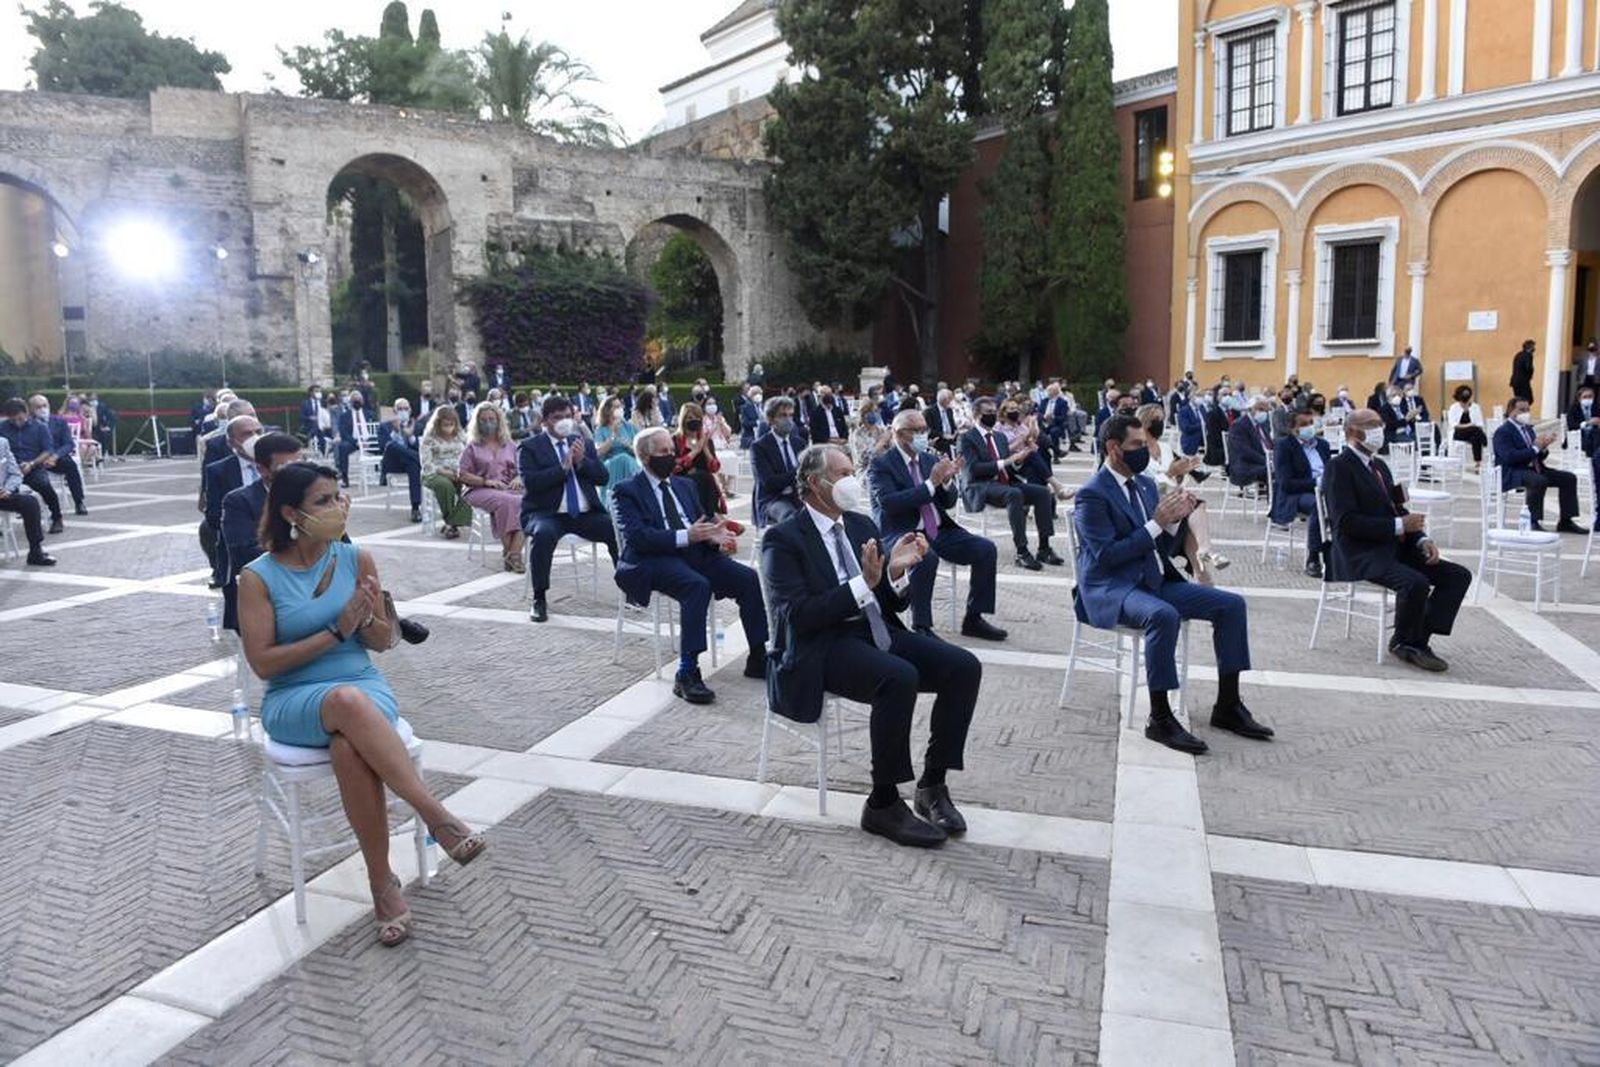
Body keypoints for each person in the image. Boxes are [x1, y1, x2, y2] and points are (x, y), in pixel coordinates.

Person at [239, 462, 485, 945]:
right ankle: (436, 815)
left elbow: (378, 641)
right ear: (291, 512)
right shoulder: (258, 577)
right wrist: (334, 631)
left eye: (338, 497)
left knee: (349, 746)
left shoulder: (358, 558)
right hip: (293, 698)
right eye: (323, 501)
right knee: (345, 704)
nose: (337, 508)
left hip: (362, 685)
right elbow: (264, 664)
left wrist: (370, 618)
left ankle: (383, 884)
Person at [761, 444, 981, 848]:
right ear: (815, 483)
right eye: (842, 473)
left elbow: (889, 599)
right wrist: (865, 581)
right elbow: (799, 615)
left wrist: (896, 573)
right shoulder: (783, 539)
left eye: (851, 471)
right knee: (898, 677)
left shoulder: (860, 524)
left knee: (963, 666)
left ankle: (932, 785)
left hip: (875, 630)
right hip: (822, 645)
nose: (852, 481)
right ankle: (882, 803)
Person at [1075, 416, 1272, 755]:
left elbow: (1160, 548)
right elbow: (1107, 557)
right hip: (1112, 587)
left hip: (1151, 579)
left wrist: (1173, 523)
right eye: (1136, 445)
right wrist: (1157, 524)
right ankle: (1160, 717)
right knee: (1163, 616)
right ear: (1113, 448)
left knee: (1231, 605)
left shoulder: (1146, 485)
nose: (1143, 452)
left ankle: (1228, 706)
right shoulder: (1092, 494)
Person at [613, 427, 769, 703]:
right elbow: (637, 538)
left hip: (696, 552)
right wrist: (688, 536)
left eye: (672, 451)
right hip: (654, 559)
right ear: (644, 456)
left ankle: (758, 655)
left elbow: (702, 521)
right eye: (663, 452)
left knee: (749, 579)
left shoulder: (685, 485)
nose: (671, 457)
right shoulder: (626, 491)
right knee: (696, 586)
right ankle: (687, 672)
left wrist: (715, 534)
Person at [1324, 410, 1472, 671]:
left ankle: (1419, 636)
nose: (1377, 430)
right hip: (1360, 551)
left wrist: (1421, 539)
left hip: (1394, 546)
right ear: (1351, 432)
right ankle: (1404, 642)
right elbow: (1345, 522)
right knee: (1416, 582)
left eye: (1379, 424)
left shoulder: (1379, 465)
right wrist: (1398, 526)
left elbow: (1398, 509)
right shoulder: (1339, 467)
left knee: (1457, 576)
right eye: (1370, 425)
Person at [868, 409, 1006, 641]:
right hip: (902, 532)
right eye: (918, 431)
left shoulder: (930, 459)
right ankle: (921, 626)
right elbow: (890, 503)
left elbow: (948, 501)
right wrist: (931, 483)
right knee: (925, 556)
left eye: (925, 429)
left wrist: (946, 482)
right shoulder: (882, 464)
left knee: (986, 549)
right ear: (900, 434)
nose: (924, 435)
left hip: (939, 529)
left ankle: (974, 619)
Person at [518, 396, 617, 622]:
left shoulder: (583, 443)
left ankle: (630, 586)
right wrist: (562, 469)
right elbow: (531, 483)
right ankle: (539, 597)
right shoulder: (529, 447)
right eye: (556, 418)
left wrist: (582, 462)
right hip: (546, 513)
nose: (563, 422)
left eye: (567, 416)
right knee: (543, 535)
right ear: (545, 421)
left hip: (584, 514)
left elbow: (603, 478)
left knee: (615, 528)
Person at [958, 397, 1061, 571]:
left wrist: (1020, 459)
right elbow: (973, 469)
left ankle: (1044, 548)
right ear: (976, 415)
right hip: (980, 485)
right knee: (1014, 494)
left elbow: (1010, 467)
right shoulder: (967, 438)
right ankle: (1022, 551)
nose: (992, 416)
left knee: (1043, 492)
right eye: (987, 413)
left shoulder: (999, 437)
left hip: (1005, 482)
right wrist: (1006, 462)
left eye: (993, 412)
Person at [220, 432, 303, 631]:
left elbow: (339, 544)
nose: (296, 473)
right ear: (262, 469)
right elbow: (244, 553)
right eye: (286, 468)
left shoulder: (312, 496)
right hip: (264, 600)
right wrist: (306, 554)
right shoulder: (239, 501)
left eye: (300, 465)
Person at [1137, 404, 1228, 583]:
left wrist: (1180, 476)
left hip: (1174, 504)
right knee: (1193, 509)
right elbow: (1145, 486)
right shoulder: (1137, 451)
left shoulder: (1164, 448)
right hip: (1153, 508)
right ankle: (1205, 553)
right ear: (1146, 423)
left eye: (1162, 420)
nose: (1161, 424)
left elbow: (1176, 483)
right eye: (1157, 420)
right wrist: (1171, 474)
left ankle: (1203, 555)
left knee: (1194, 504)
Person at [1493, 397, 1582, 532]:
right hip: (1513, 471)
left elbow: (1537, 455)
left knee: (1568, 478)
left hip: (1534, 468)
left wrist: (1543, 447)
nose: (1526, 413)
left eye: (1528, 410)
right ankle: (1532, 521)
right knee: (1538, 481)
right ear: (1511, 411)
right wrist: (1535, 449)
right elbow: (1509, 457)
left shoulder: (1528, 429)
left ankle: (1566, 521)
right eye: (1522, 410)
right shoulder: (1503, 432)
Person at [460, 402, 527, 571]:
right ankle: (514, 555)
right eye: (483, 420)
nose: (488, 423)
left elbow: (523, 468)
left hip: (508, 487)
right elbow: (463, 475)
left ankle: (512, 552)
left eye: (491, 419)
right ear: (477, 422)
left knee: (530, 501)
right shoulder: (472, 447)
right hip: (479, 489)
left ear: (499, 421)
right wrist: (485, 482)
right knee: (506, 501)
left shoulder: (510, 445)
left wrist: (519, 477)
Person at [202, 413, 263, 588]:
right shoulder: (219, 471)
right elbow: (213, 516)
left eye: (258, 431)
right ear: (231, 442)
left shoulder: (275, 466)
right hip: (238, 551)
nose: (255, 438)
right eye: (247, 434)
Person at [1271, 409, 1332, 578]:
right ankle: (1313, 558)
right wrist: (1317, 483)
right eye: (1304, 425)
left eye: (1311, 423)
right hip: (1297, 494)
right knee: (1317, 505)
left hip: (1326, 491)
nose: (1309, 428)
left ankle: (1346, 552)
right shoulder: (1284, 446)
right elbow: (1286, 483)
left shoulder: (1323, 445)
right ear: (1293, 429)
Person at [418, 406, 475, 540]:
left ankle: (451, 523)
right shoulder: (429, 439)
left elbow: (469, 454)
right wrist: (444, 472)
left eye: (451, 424)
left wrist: (463, 471)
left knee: (473, 486)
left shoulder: (461, 436)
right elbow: (426, 463)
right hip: (434, 473)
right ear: (438, 424)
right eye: (445, 425)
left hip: (458, 472)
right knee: (445, 485)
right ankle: (452, 524)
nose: (448, 428)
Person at [751, 396, 807, 526]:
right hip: (773, 500)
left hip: (798, 497)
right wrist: (799, 472)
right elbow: (769, 482)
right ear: (771, 419)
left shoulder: (800, 444)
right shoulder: (759, 447)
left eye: (790, 415)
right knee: (789, 515)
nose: (788, 420)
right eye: (782, 415)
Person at [28, 394, 87, 517]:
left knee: (71, 465)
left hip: (57, 458)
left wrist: (55, 456)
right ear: (31, 409)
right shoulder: (28, 424)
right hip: (37, 460)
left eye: (45, 406)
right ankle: (29, 506)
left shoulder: (59, 421)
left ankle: (79, 502)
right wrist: (40, 460)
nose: (42, 409)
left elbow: (68, 444)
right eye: (38, 407)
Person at [0, 434, 53, 565]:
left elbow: (15, 473)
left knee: (30, 502)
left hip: (2, 493)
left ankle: (35, 551)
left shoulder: (2, 443)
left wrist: (8, 489)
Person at [671, 402, 726, 517]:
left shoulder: (706, 440)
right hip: (682, 479)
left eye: (697, 417)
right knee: (701, 477)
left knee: (706, 477)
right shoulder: (675, 440)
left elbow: (715, 467)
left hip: (705, 482)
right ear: (683, 420)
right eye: (690, 418)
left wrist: (705, 449)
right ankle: (710, 517)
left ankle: (710, 515)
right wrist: (695, 451)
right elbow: (675, 467)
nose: (694, 420)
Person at [377, 399, 423, 523]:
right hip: (392, 463)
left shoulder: (417, 426)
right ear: (394, 411)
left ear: (410, 410)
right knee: (392, 445)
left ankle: (415, 508)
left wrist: (411, 437)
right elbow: (382, 447)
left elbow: (422, 447)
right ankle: (416, 459)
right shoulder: (385, 425)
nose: (403, 411)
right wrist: (395, 432)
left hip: (409, 463)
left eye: (405, 409)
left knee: (413, 465)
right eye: (400, 409)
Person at [593, 397, 640, 505]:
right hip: (610, 465)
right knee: (623, 458)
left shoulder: (629, 427)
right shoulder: (601, 430)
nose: (620, 409)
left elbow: (641, 450)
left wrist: (628, 446)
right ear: (608, 410)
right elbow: (598, 453)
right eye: (616, 406)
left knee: (626, 459)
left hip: (632, 461)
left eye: (620, 406)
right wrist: (613, 436)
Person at [1225, 398, 1273, 490]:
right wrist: (1267, 461)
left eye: (1266, 410)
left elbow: (1269, 445)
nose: (1264, 413)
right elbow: (1245, 452)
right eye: (1260, 409)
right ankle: (1273, 501)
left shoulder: (1262, 424)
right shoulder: (1239, 425)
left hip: (1263, 461)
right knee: (1277, 472)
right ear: (1250, 409)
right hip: (1246, 465)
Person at [334, 392, 376, 488]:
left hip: (368, 441)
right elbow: (343, 432)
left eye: (359, 400)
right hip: (353, 442)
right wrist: (356, 442)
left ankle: (383, 474)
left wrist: (369, 440)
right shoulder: (345, 416)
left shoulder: (369, 414)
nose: (357, 402)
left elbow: (376, 429)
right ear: (351, 402)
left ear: (363, 401)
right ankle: (345, 478)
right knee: (343, 447)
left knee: (385, 444)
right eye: (354, 400)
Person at [1446, 385, 1489, 468]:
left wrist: (1473, 426)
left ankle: (1478, 463)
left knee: (1475, 437)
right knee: (1475, 430)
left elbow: (1480, 424)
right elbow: (1454, 425)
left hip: (1472, 433)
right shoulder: (1454, 407)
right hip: (1458, 433)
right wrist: (1469, 425)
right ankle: (1484, 441)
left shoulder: (1476, 407)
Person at [1510, 340, 1537, 404]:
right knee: (1528, 400)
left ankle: (1519, 413)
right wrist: (1530, 374)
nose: (1534, 349)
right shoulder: (1528, 355)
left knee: (1519, 400)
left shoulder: (1518, 355)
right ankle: (1523, 413)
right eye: (1533, 347)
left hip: (1515, 382)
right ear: (1530, 347)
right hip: (1523, 382)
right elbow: (1528, 367)